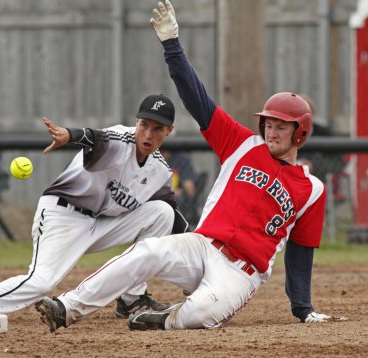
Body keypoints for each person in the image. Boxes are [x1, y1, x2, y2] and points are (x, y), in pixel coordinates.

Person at [35, 1, 341, 333]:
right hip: (201, 245)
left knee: (203, 315)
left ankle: (163, 319)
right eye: (268, 123)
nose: (271, 130)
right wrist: (172, 46)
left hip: (241, 272)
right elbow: (196, 98)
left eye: (282, 126)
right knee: (148, 251)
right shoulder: (242, 144)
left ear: (301, 133)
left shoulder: (312, 190)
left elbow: (300, 251)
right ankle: (67, 307)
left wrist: (303, 309)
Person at [0, 93, 188, 320]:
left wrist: (201, 247)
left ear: (169, 131)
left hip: (100, 224)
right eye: (144, 125)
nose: (148, 134)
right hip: (63, 215)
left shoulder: (159, 171)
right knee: (41, 282)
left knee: (162, 213)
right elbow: (95, 137)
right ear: (136, 121)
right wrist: (69, 135)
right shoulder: (121, 140)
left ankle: (131, 300)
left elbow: (176, 218)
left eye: (158, 128)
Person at [161, 150, 199, 228]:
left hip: (177, 201)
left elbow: (190, 189)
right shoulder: (150, 156)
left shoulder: (180, 159)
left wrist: (185, 188)